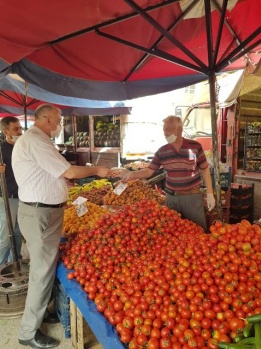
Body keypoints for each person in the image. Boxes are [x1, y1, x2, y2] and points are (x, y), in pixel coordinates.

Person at [12, 104, 109, 349]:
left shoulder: (36, 140)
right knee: (41, 272)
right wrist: (98, 169)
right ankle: (28, 332)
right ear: (45, 119)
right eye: (57, 120)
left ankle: (40, 312)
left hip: (42, 212)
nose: (59, 125)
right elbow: (69, 171)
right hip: (40, 213)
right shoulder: (36, 141)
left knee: (43, 268)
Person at [121, 115, 215, 231]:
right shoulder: (162, 151)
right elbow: (149, 171)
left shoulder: (195, 147)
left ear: (179, 129)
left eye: (168, 129)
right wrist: (133, 174)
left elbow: (204, 169)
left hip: (192, 198)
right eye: (164, 129)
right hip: (172, 199)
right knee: (172, 234)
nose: (165, 133)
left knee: (198, 232)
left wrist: (210, 194)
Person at [0, 117, 23, 265]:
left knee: (17, 234)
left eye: (20, 128)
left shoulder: (22, 146)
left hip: (23, 196)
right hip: (7, 198)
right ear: (5, 131)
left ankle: (15, 263)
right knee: (5, 238)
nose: (20, 132)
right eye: (16, 129)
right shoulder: (1, 150)